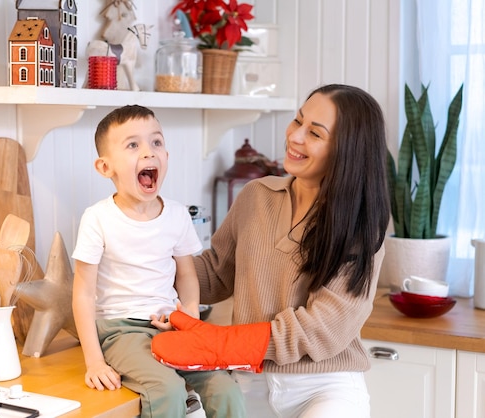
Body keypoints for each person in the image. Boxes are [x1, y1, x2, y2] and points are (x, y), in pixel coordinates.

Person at [151, 84, 390, 418]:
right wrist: (141, 259)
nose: (295, 137)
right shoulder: (256, 195)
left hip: (324, 388)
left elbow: (322, 329)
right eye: (297, 121)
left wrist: (219, 344)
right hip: (249, 384)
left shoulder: (361, 226)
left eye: (315, 134)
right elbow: (216, 273)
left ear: (345, 151)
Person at [71, 105, 245, 418]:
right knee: (166, 389)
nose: (149, 152)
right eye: (133, 145)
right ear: (105, 167)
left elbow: (187, 277)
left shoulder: (177, 215)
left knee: (226, 388)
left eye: (156, 142)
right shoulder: (97, 219)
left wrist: (189, 314)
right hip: (121, 332)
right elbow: (82, 293)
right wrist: (94, 360)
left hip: (171, 328)